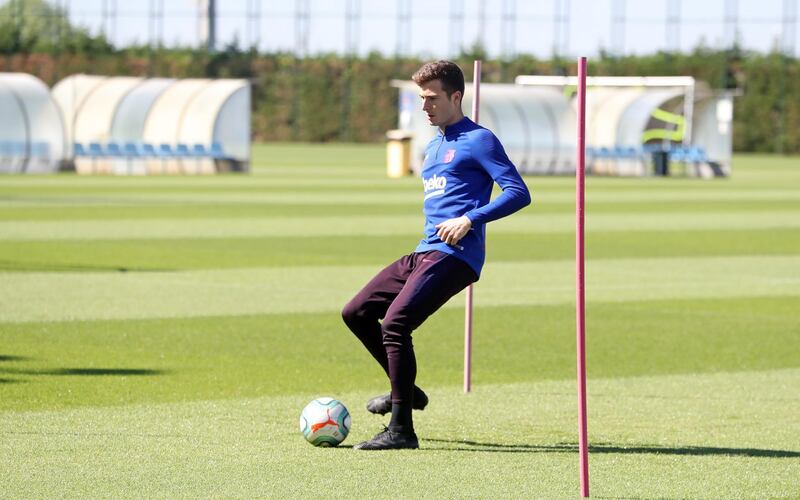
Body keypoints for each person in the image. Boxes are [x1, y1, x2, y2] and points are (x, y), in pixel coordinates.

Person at [342, 60, 531, 450]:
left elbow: (518, 192)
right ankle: (408, 392)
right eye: (421, 98)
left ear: (456, 96)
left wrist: (470, 219)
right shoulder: (434, 144)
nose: (424, 106)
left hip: (456, 255)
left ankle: (401, 429)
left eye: (432, 98)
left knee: (395, 324)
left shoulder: (480, 140)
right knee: (356, 312)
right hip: (425, 250)